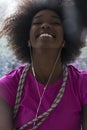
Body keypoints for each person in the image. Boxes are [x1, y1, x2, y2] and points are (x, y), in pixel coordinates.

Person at [0, 0, 87, 130]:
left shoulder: (82, 83)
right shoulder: (7, 86)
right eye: (37, 22)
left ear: (65, 39)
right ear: (27, 38)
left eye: (55, 23)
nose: (45, 25)